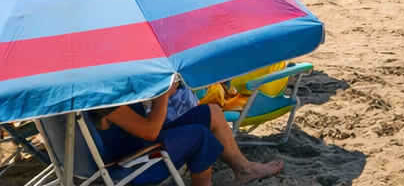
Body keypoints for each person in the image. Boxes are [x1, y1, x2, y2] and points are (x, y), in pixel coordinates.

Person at [93, 82, 282, 186]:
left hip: (138, 145)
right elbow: (151, 131)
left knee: (211, 112)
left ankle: (243, 168)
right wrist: (163, 95)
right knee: (199, 136)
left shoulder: (102, 90)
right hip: (134, 163)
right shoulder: (102, 100)